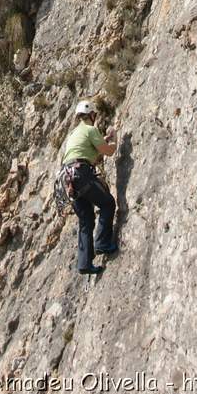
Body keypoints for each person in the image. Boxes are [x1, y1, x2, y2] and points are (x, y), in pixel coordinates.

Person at [60, 100, 117, 275]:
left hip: (67, 178)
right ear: (92, 115)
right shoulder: (91, 130)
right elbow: (107, 151)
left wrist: (103, 141)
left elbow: (88, 151)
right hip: (81, 173)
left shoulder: (74, 134)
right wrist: (114, 140)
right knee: (107, 203)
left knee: (86, 220)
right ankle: (102, 243)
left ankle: (84, 264)